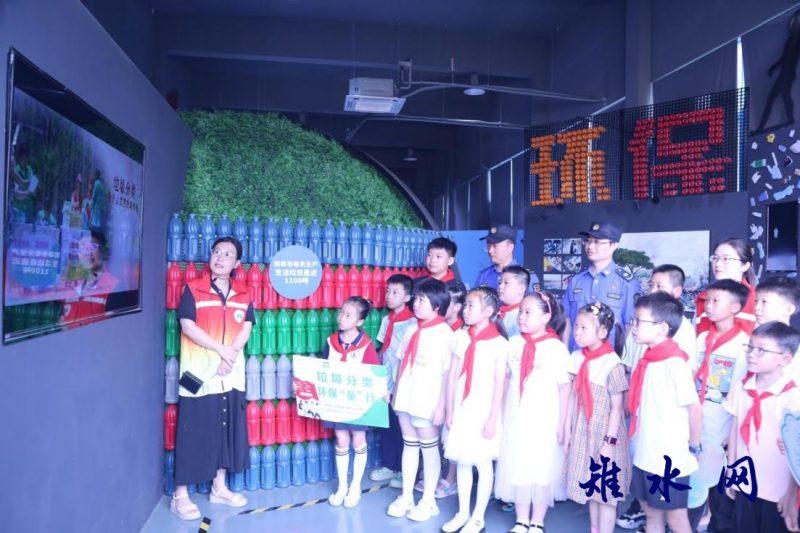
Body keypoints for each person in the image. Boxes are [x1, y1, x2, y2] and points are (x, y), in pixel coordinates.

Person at [171, 237, 254, 520]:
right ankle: (180, 495)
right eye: (217, 252)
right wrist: (221, 350)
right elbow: (187, 326)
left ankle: (219, 488)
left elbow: (246, 329)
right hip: (197, 374)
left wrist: (229, 357)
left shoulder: (244, 293)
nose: (220, 257)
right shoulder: (193, 289)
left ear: (237, 263)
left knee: (223, 428)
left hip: (229, 375)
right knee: (191, 429)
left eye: (228, 254)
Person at [495, 291, 570, 533]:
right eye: (521, 312)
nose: (522, 317)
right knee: (517, 463)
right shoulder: (513, 343)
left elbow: (565, 389)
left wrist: (563, 424)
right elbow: (504, 379)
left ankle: (537, 520)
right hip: (516, 414)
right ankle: (521, 518)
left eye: (529, 312)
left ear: (546, 316)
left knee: (541, 467)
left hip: (544, 417)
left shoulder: (556, 348)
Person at [627, 292, 702, 533]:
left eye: (639, 321)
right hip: (646, 452)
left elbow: (694, 408)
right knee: (651, 513)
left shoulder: (675, 363)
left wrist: (694, 447)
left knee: (676, 518)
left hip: (669, 457)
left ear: (661, 328)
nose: (633, 326)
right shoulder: (648, 360)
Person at [442, 286, 509, 533]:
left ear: (488, 311)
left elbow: (500, 383)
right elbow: (452, 376)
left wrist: (492, 418)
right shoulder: (460, 337)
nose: (465, 310)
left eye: (471, 305)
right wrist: (449, 409)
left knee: (481, 461)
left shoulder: (499, 344)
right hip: (461, 406)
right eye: (466, 305)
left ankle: (478, 517)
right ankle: (462, 513)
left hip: (483, 408)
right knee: (462, 460)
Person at [387, 279, 453, 522]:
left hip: (428, 399)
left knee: (429, 449)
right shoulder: (411, 329)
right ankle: (406, 496)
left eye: (422, 300)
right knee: (410, 445)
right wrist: (395, 392)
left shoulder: (445, 334)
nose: (416, 303)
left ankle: (428, 501)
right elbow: (401, 362)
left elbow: (447, 374)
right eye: (416, 299)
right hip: (406, 395)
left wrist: (441, 406)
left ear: (437, 304)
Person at [724, 322, 800, 532]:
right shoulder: (742, 387)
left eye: (761, 350)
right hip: (746, 482)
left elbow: (796, 452)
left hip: (778, 490)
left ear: (785, 360)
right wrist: (731, 471)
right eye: (750, 347)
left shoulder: (793, 396)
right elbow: (734, 431)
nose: (751, 354)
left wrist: (791, 493)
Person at [690, 279, 751, 532]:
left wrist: (731, 433)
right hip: (696, 421)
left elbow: (741, 392)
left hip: (721, 425)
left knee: (718, 485)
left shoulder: (743, 346)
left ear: (735, 307)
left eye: (716, 301)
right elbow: (690, 374)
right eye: (707, 300)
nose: (709, 306)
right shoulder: (702, 338)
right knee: (694, 480)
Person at [563, 302, 630, 533]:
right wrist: (568, 430)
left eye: (584, 328)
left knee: (606, 493)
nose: (577, 332)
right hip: (583, 431)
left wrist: (609, 443)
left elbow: (616, 408)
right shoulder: (576, 357)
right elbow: (573, 398)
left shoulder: (612, 363)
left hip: (606, 435)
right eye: (577, 326)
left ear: (602, 332)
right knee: (592, 487)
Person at [322, 296, 380, 507]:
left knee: (358, 440)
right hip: (337, 402)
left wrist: (381, 392)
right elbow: (323, 369)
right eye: (341, 313)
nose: (341, 317)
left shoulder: (366, 345)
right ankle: (342, 486)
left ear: (360, 321)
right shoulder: (330, 341)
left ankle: (355, 487)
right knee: (341, 440)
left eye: (348, 315)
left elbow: (374, 374)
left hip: (358, 404)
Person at [562, 221, 639, 351]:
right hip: (577, 355)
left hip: (609, 356)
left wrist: (621, 357)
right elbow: (567, 319)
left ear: (614, 246)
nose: (590, 246)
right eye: (588, 241)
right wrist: (565, 352)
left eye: (597, 242)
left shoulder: (627, 282)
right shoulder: (576, 280)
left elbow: (630, 325)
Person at [370, 274, 416, 489]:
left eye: (395, 292)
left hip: (402, 381)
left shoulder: (413, 322)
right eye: (388, 291)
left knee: (402, 427)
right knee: (387, 424)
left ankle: (403, 469)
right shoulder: (386, 319)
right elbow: (383, 349)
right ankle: (389, 465)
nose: (389, 296)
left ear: (407, 297)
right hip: (386, 379)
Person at [428, 279, 467, 500]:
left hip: (453, 387)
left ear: (459, 306)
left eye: (447, 302)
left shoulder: (461, 332)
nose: (441, 305)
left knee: (452, 434)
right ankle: (436, 473)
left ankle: (451, 478)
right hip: (434, 384)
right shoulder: (436, 327)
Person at [60, 231, 123, 327]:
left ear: (103, 252)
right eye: (82, 248)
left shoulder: (114, 286)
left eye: (92, 247)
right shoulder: (72, 285)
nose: (87, 253)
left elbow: (115, 328)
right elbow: (62, 322)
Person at [695, 237, 756, 336]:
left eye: (726, 259)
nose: (717, 264)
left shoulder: (757, 298)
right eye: (715, 258)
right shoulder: (703, 297)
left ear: (745, 266)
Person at [475, 223, 539, 291]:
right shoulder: (483, 276)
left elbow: (534, 297)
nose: (490, 250)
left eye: (495, 245)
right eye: (488, 244)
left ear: (510, 247)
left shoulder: (526, 276)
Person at [498, 265, 530, 337]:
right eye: (500, 282)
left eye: (506, 283)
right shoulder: (496, 312)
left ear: (521, 289)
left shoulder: (523, 317)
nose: (500, 286)